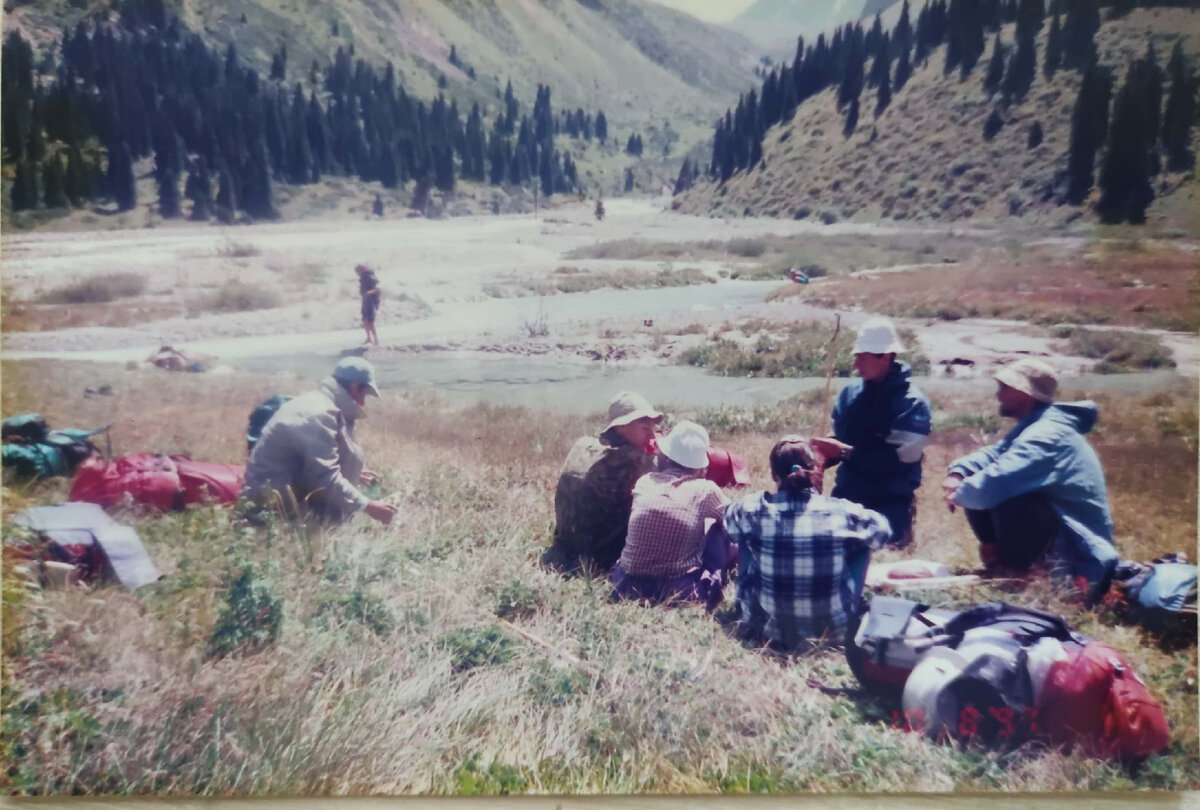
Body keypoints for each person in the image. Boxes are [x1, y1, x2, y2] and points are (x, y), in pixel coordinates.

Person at [943, 358, 1118, 602]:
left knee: (1005, 494)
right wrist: (958, 473)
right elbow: (995, 454)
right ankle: (1005, 567)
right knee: (983, 482)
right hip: (1062, 541)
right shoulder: (1038, 425)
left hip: (1078, 559)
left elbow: (996, 483)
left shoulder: (1046, 435)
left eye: (1004, 388)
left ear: (1024, 392)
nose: (998, 395)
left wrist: (958, 493)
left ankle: (1031, 577)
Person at [724, 435, 892, 652]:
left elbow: (728, 524)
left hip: (764, 629)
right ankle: (849, 605)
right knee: (862, 544)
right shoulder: (842, 511)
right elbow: (882, 531)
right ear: (815, 471)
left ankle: (747, 607)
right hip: (833, 631)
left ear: (774, 474)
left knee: (744, 535)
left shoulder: (753, 508)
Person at [242, 357, 397, 526]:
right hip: (273, 509)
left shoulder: (318, 402)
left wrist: (354, 473)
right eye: (364, 394)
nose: (363, 402)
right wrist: (368, 506)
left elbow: (308, 461)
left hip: (277, 495)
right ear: (354, 387)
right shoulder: (319, 413)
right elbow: (324, 477)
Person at [826, 316, 931, 547]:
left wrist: (845, 453)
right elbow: (840, 440)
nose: (855, 365)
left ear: (885, 356)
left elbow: (898, 461)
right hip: (847, 495)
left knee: (881, 553)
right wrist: (818, 455)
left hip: (889, 501)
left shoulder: (912, 404)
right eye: (856, 357)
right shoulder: (849, 395)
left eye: (862, 357)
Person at [609, 421, 735, 606]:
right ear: (701, 466)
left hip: (625, 584)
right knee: (719, 529)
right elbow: (738, 519)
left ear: (666, 456)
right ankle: (719, 579)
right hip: (677, 589)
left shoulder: (645, 481)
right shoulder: (705, 489)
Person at [542, 392, 662, 575]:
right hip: (600, 557)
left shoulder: (584, 446)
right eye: (645, 428)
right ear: (621, 427)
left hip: (564, 547)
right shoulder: (633, 461)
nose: (651, 434)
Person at [355, 263, 381, 346]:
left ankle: (376, 340)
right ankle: (369, 338)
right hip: (366, 300)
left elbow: (379, 288)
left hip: (371, 301)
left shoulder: (370, 276)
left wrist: (369, 293)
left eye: (357, 271)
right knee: (365, 319)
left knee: (370, 321)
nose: (357, 273)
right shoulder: (364, 277)